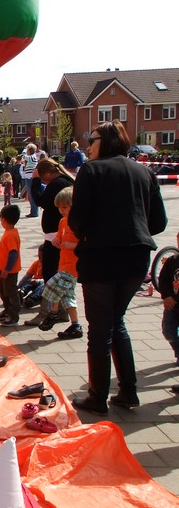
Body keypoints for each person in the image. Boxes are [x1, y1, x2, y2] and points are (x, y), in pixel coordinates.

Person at [69, 120, 167, 414]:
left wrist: (93, 232)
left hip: (102, 258)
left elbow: (77, 220)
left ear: (108, 141)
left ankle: (97, 396)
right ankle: (127, 391)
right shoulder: (144, 171)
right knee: (116, 321)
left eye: (92, 140)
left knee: (100, 329)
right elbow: (158, 222)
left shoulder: (91, 170)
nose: (87, 146)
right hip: (136, 257)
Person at [25, 157, 75, 326]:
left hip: (56, 235)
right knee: (61, 277)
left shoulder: (57, 184)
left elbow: (42, 201)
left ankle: (47, 313)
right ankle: (62, 311)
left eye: (42, 176)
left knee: (51, 275)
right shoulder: (66, 180)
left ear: (47, 173)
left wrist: (35, 181)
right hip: (58, 233)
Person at [37, 187, 83, 339]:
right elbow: (59, 238)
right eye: (59, 207)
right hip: (63, 264)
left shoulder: (78, 224)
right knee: (68, 296)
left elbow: (87, 244)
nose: (62, 210)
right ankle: (75, 325)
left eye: (65, 207)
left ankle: (53, 313)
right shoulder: (63, 222)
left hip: (73, 266)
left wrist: (73, 245)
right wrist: (56, 241)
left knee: (51, 285)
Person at [157, 231, 179, 394]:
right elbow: (163, 279)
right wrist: (166, 296)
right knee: (168, 331)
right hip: (173, 305)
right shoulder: (172, 261)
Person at [0, 204, 22, 325]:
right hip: (4, 268)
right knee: (3, 291)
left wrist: (7, 269)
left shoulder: (11, 234)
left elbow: (13, 254)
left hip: (10, 270)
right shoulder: (9, 232)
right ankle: (7, 311)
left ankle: (13, 315)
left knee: (11, 292)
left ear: (4, 220)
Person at [21, 143, 39, 217]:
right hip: (29, 177)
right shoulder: (32, 157)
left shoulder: (31, 157)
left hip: (30, 177)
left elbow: (23, 156)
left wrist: (24, 150)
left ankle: (34, 212)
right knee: (30, 195)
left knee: (31, 195)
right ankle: (33, 211)